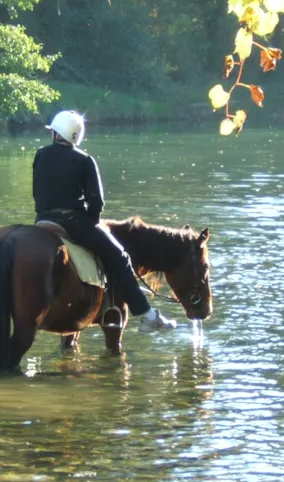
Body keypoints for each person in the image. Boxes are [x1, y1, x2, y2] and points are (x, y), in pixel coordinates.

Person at [32, 109, 177, 333]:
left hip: (42, 221)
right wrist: (91, 222)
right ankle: (147, 316)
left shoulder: (40, 154)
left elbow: (37, 193)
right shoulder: (84, 160)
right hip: (73, 222)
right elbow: (96, 202)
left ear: (57, 134)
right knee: (120, 257)